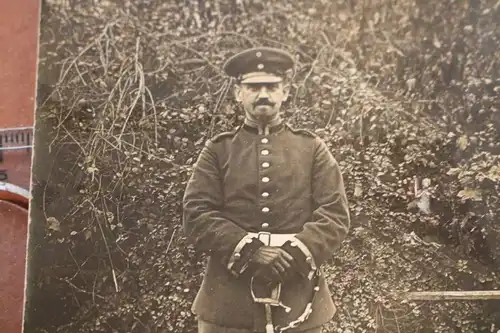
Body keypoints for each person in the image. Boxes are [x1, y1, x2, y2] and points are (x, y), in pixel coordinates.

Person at [182, 47, 351, 333]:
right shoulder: (218, 151)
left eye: (271, 87)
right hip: (227, 303)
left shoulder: (312, 149)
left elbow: (334, 214)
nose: (263, 95)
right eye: (253, 87)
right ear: (239, 93)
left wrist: (292, 255)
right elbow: (196, 214)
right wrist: (251, 250)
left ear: (285, 92)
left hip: (298, 299)